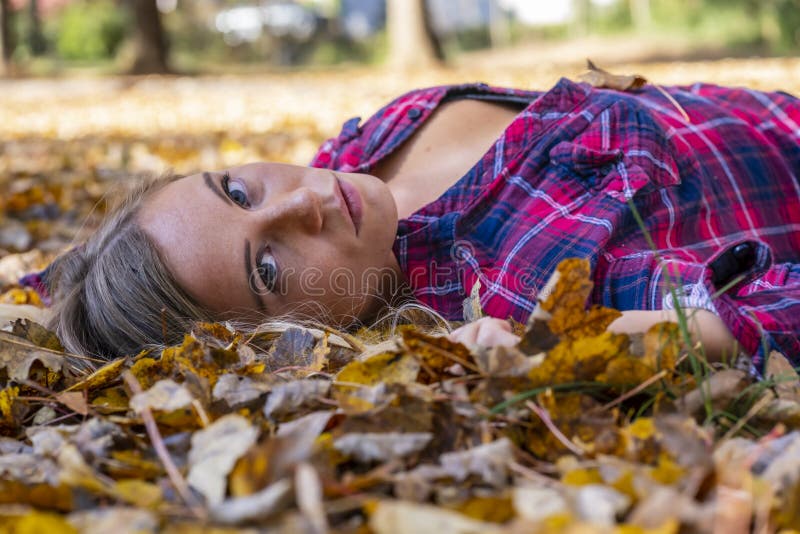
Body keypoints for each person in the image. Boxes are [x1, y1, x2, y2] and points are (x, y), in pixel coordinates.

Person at [22, 77, 800, 370]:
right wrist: (578, 345)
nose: (304, 202)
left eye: (236, 190)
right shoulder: (514, 286)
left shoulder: (364, 150)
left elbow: (76, 277)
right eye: (269, 269)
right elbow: (770, 312)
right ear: (288, 344)